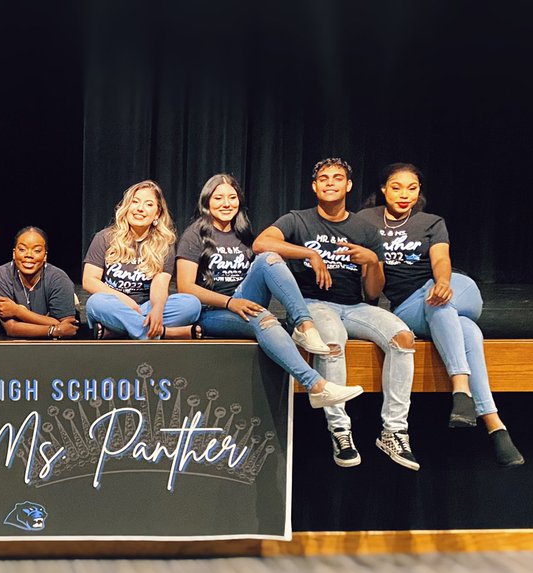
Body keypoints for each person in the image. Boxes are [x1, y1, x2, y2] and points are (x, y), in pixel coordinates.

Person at [253, 158, 419, 470]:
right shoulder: (298, 220)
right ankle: (340, 429)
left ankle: (394, 430)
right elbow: (262, 243)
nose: (330, 183)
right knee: (330, 340)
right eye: (324, 179)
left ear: (348, 186)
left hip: (354, 307)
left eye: (338, 178)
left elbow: (372, 292)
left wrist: (371, 261)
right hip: (313, 304)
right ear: (315, 187)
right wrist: (309, 254)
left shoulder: (363, 228)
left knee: (403, 337)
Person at [356, 163, 524, 466]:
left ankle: (462, 390)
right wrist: (373, 261)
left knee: (441, 300)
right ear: (383, 189)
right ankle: (495, 424)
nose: (404, 194)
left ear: (419, 191)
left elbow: (441, 259)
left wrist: (444, 282)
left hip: (454, 289)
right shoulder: (365, 221)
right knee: (469, 331)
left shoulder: (431, 222)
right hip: (408, 304)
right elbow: (371, 294)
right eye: (396, 187)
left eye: (412, 188)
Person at [175, 173, 363, 409]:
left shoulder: (244, 234)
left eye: (232, 197)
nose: (226, 204)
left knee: (269, 258)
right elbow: (185, 287)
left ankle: (305, 325)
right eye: (218, 198)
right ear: (207, 202)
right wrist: (230, 303)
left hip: (244, 299)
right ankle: (316, 386)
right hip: (213, 311)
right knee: (264, 318)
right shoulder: (195, 235)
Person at [83, 180, 201, 339]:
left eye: (149, 204)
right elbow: (89, 280)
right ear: (126, 207)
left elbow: (160, 285)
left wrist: (158, 309)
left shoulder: (164, 243)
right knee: (95, 303)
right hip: (114, 305)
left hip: (145, 307)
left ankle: (119, 331)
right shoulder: (104, 238)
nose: (140, 209)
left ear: (157, 213)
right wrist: (123, 299)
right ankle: (161, 333)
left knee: (191, 304)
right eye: (135, 202)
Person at [0, 226, 80, 339]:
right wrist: (53, 330)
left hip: (44, 303)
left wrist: (17, 311)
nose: (29, 255)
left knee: (70, 297)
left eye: (37, 251)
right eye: (22, 249)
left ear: (45, 256)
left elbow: (68, 327)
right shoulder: (2, 275)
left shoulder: (59, 278)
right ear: (14, 254)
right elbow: (11, 328)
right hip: (4, 293)